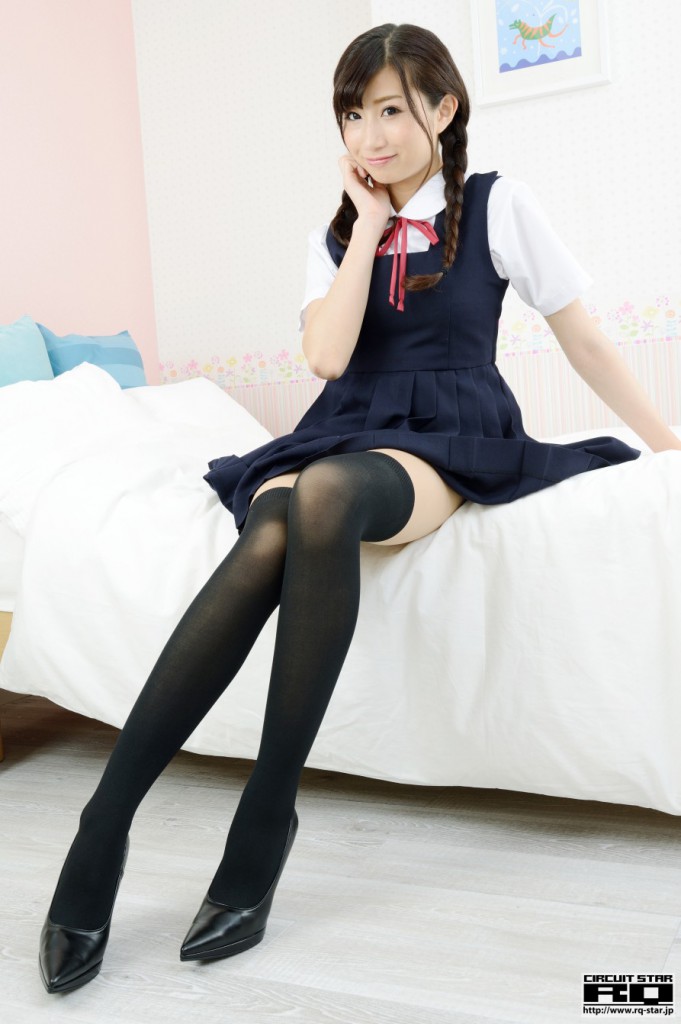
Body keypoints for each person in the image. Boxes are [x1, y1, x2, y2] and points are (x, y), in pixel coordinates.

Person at [39, 22, 681, 994]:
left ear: (443, 109)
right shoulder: (334, 235)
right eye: (352, 114)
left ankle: (266, 809)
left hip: (448, 431)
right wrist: (369, 228)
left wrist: (667, 444)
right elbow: (328, 358)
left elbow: (582, 339)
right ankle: (105, 821)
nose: (370, 135)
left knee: (324, 497)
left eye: (389, 109)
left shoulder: (498, 204)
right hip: (343, 422)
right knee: (274, 518)